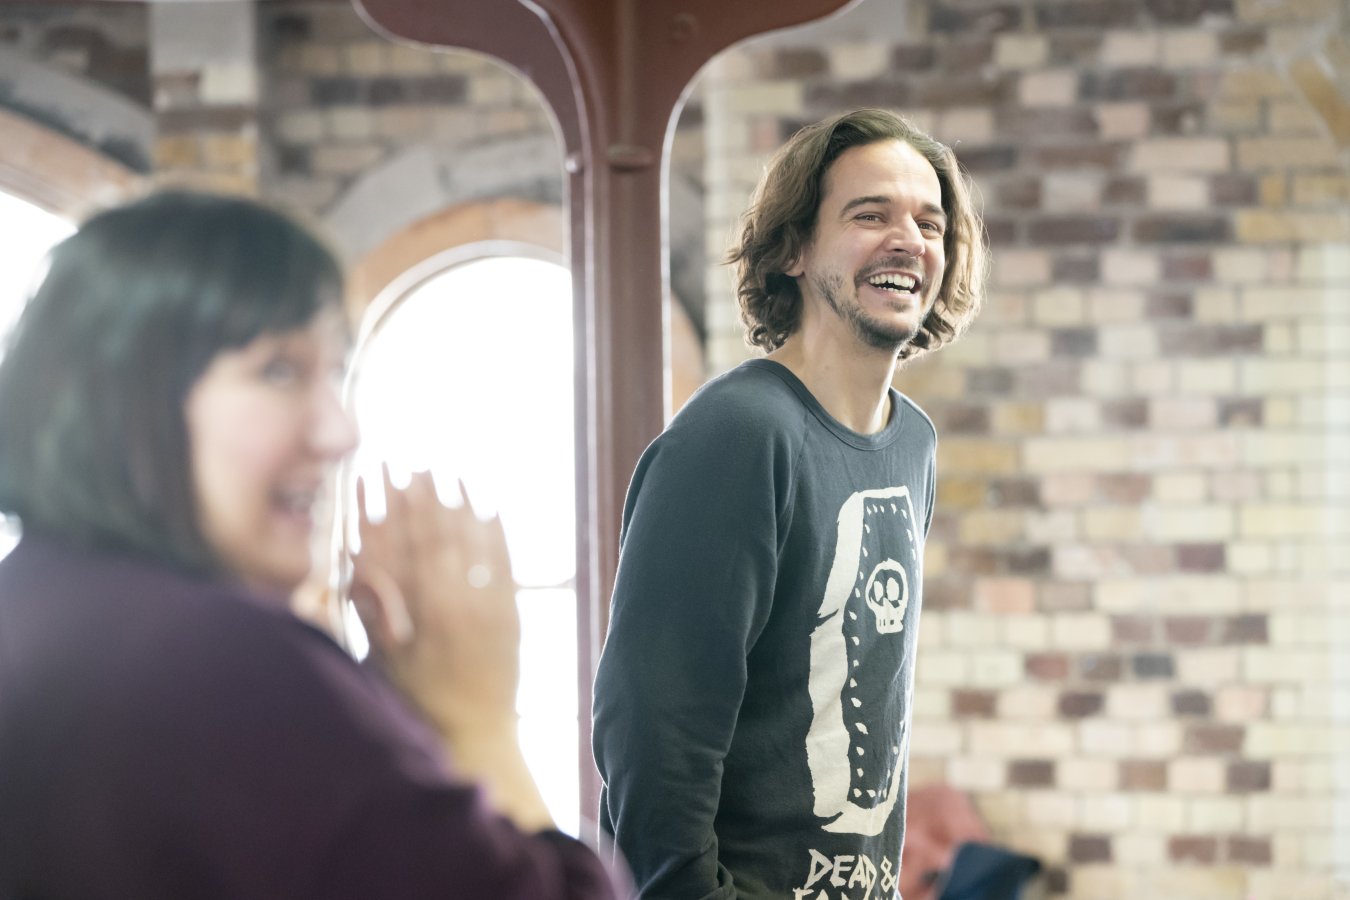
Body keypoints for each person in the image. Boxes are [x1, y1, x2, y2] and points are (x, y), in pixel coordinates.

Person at [0, 190, 623, 899]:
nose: (338, 431)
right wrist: (475, 718)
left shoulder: (32, 604)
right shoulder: (227, 660)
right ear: (123, 395)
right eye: (278, 371)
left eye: (333, 373)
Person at [591, 108, 988, 898]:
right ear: (794, 249)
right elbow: (650, 731)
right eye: (869, 214)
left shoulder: (912, 443)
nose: (908, 239)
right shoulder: (739, 435)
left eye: (929, 222)